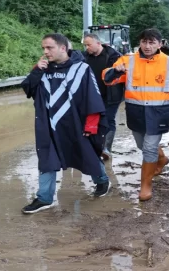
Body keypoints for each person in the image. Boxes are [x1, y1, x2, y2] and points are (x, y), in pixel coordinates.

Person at [21, 34, 111, 214]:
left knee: (86, 154)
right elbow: (28, 89)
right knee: (47, 158)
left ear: (63, 48)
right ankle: (44, 198)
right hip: (48, 125)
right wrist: (36, 71)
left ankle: (101, 180)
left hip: (76, 125)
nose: (45, 52)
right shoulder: (43, 69)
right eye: (43, 48)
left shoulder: (81, 69)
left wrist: (91, 125)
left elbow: (93, 98)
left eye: (49, 48)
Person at [103, 28, 169, 201]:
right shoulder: (127, 60)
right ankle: (162, 159)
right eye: (144, 41)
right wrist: (116, 71)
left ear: (160, 44)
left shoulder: (168, 62)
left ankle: (145, 186)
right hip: (136, 112)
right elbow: (107, 79)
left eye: (152, 42)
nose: (147, 46)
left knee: (149, 148)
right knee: (142, 145)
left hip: (159, 112)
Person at [82, 33, 125, 161]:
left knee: (108, 120)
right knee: (91, 120)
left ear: (98, 43)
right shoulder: (84, 57)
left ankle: (106, 149)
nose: (87, 48)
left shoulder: (114, 56)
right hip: (92, 95)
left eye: (88, 45)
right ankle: (94, 146)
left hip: (111, 95)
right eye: (85, 45)